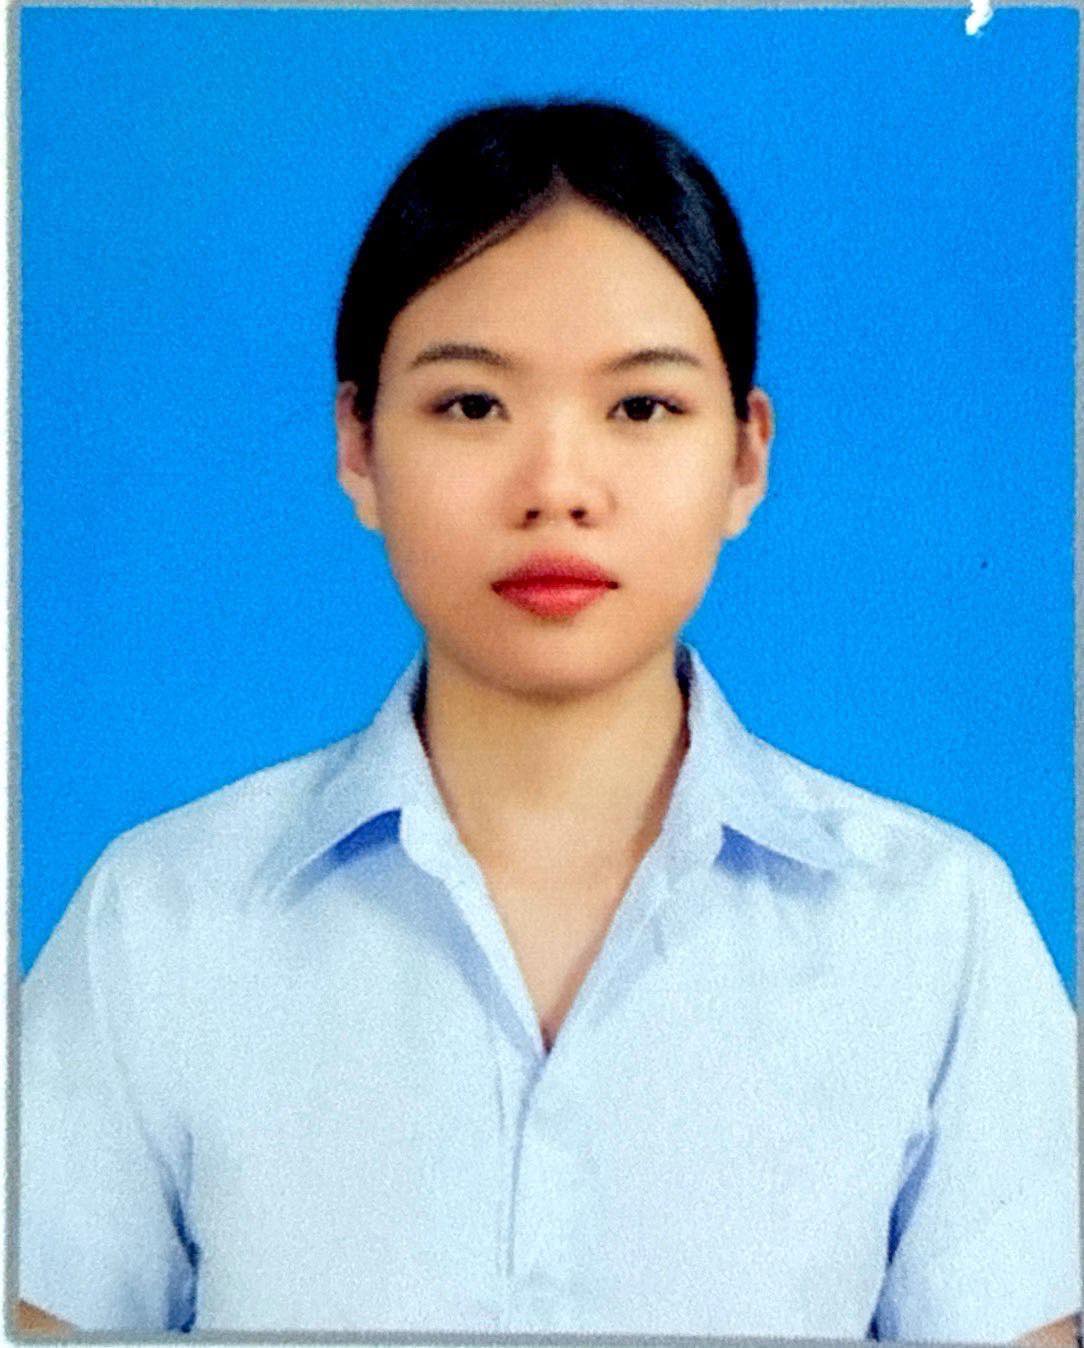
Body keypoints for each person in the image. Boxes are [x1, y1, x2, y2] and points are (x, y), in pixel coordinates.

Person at [18, 98, 1080, 1342]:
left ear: (745, 457)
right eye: (473, 406)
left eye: (641, 408)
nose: (557, 488)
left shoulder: (936, 932)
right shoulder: (162, 920)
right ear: (358, 445)